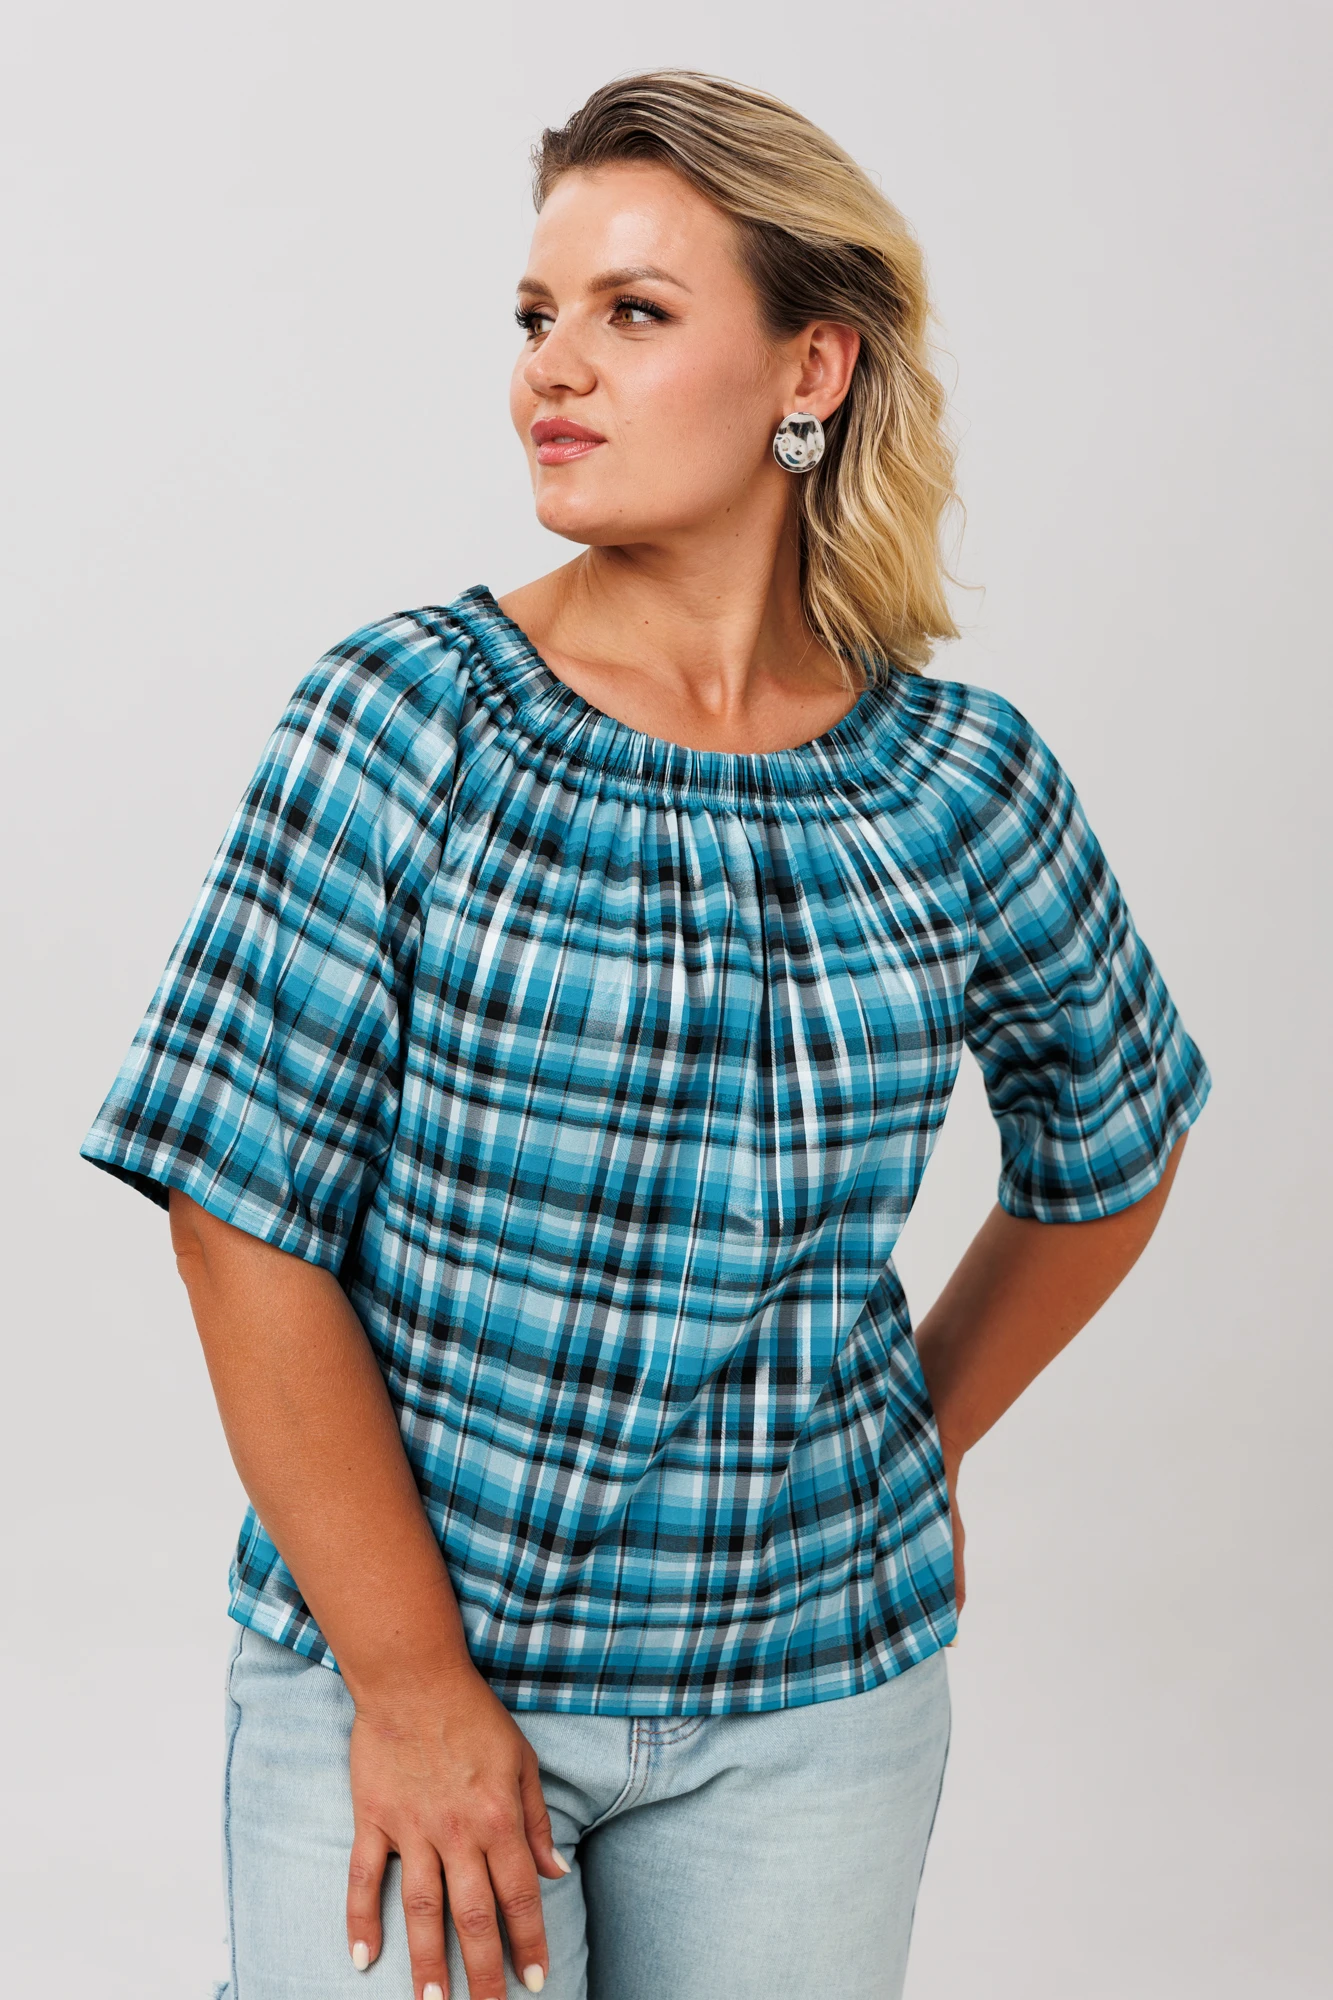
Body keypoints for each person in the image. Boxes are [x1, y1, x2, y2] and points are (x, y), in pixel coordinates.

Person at [81, 69, 1210, 2000]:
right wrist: (414, 1693)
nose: (556, 366)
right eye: (539, 314)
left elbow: (1112, 1145)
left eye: (635, 311)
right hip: (418, 1674)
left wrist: (913, 1440)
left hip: (814, 1709)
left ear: (810, 369)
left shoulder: (960, 780)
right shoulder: (410, 718)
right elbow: (236, 1220)